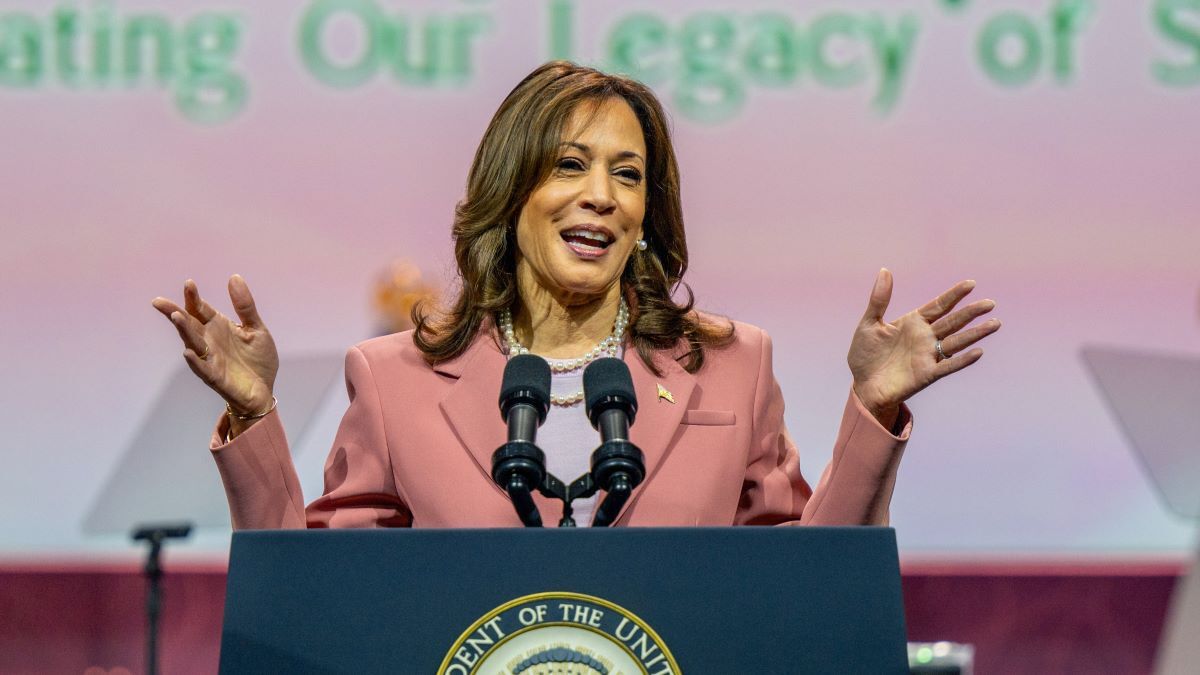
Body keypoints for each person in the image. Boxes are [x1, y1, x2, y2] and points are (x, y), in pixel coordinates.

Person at [151, 61, 1000, 530]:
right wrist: (258, 416)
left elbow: (800, 592)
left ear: (646, 213)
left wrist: (872, 409)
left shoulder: (733, 364)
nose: (602, 195)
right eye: (569, 166)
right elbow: (325, 600)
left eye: (627, 175)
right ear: (510, 192)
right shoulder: (393, 376)